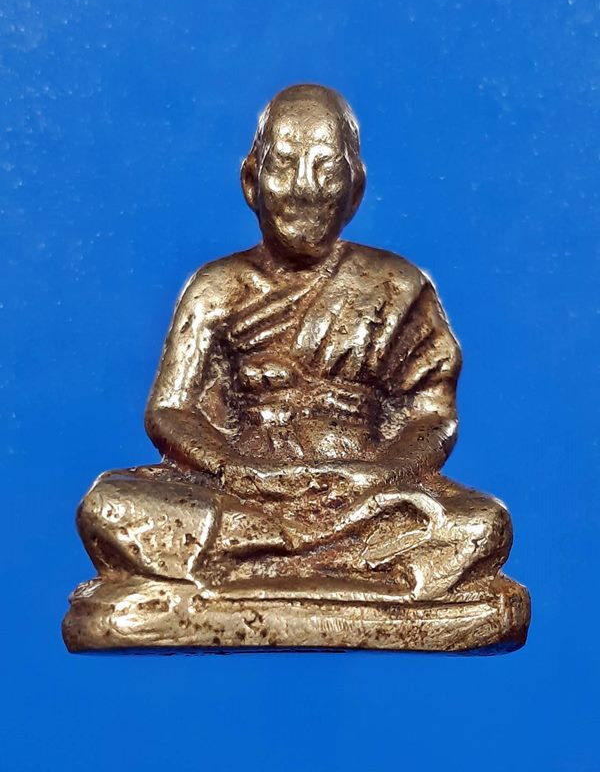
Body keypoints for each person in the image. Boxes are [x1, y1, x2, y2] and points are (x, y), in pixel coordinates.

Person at [77, 84, 512, 603]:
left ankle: (253, 570)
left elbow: (431, 415)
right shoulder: (216, 288)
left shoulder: (396, 285)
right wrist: (235, 469)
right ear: (251, 181)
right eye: (284, 165)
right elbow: (170, 410)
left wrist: (379, 475)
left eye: (326, 169)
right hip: (245, 491)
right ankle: (331, 570)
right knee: (108, 506)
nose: (305, 189)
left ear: (355, 189)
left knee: (484, 523)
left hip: (362, 493)